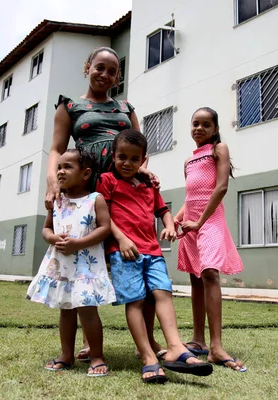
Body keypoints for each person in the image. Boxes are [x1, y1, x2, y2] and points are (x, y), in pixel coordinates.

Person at [44, 46, 163, 364]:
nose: (105, 74)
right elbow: (56, 150)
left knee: (140, 263)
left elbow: (140, 148)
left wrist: (142, 170)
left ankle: (146, 344)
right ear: (88, 67)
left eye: (112, 70)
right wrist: (53, 183)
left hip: (125, 196)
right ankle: (88, 344)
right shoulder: (69, 106)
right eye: (100, 67)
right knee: (85, 266)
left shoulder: (126, 107)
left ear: (118, 76)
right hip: (86, 195)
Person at [97, 129, 214, 383]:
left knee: (163, 293)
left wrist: (170, 225)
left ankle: (175, 347)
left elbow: (163, 211)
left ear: (143, 160)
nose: (127, 163)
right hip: (125, 251)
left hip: (153, 250)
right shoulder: (107, 180)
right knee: (136, 301)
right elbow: (103, 215)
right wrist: (120, 238)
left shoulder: (149, 184)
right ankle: (148, 357)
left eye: (134, 159)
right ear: (113, 157)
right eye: (122, 157)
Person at [27, 149, 116, 377]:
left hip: (86, 265)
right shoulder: (57, 201)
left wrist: (79, 243)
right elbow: (47, 228)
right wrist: (52, 237)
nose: (60, 172)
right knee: (65, 310)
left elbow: (105, 228)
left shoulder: (95, 199)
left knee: (87, 310)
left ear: (85, 173)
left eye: (67, 167)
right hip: (62, 265)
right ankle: (67, 355)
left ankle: (97, 356)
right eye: (59, 167)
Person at [174, 107, 247, 373]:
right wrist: (176, 219)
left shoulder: (219, 149)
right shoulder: (188, 161)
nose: (199, 129)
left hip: (209, 220)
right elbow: (189, 197)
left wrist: (200, 221)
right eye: (195, 123)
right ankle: (198, 340)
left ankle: (216, 347)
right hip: (191, 222)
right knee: (195, 278)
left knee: (210, 275)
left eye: (206, 124)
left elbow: (221, 187)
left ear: (215, 129)